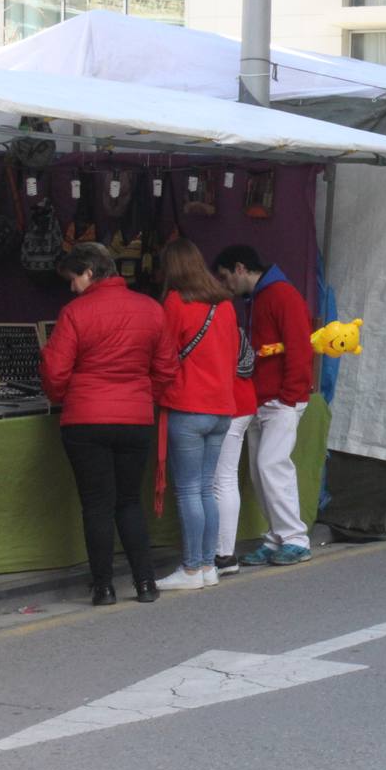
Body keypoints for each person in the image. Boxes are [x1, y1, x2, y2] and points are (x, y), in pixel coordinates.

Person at [40, 243, 177, 606]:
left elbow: (55, 372)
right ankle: (145, 584)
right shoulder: (151, 309)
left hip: (85, 419)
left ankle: (103, 588)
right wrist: (144, 397)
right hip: (135, 418)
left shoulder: (75, 313)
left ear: (88, 271)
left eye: (73, 279)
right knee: (130, 502)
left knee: (97, 505)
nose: (71, 287)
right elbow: (166, 368)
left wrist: (64, 395)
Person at [212, 245, 315, 566]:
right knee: (263, 471)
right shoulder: (264, 296)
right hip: (268, 399)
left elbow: (301, 348)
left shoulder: (280, 296)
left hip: (280, 399)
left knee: (271, 467)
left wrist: (289, 396)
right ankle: (278, 538)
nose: (225, 285)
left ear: (240, 268)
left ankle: (295, 538)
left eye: (226, 277)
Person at [155, 239, 239, 591]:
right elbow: (234, 354)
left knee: (189, 490)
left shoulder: (175, 303)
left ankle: (191, 569)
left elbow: (164, 355)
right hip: (222, 407)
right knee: (206, 488)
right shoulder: (226, 306)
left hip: (188, 406)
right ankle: (208, 565)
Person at [212, 340, 258, 576]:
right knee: (225, 479)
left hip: (227, 403)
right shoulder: (231, 319)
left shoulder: (205, 314)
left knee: (221, 480)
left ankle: (223, 554)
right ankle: (224, 553)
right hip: (244, 399)